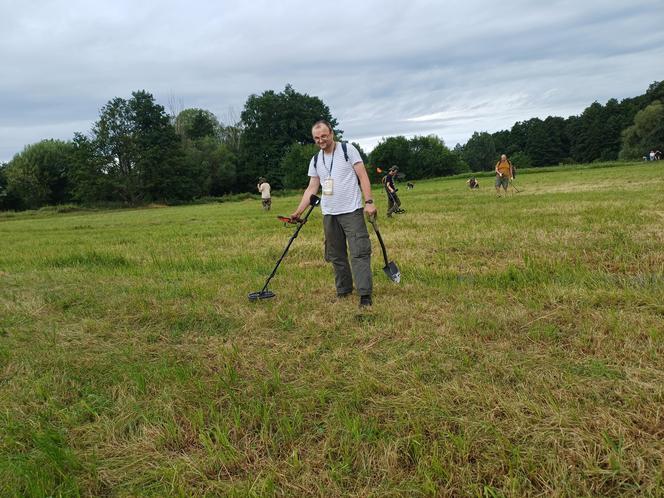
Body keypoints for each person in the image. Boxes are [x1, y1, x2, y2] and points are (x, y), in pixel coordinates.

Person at [290, 120, 377, 308]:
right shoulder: (315, 160)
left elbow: (363, 176)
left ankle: (365, 295)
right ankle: (344, 290)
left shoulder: (348, 150)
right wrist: (298, 211)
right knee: (336, 255)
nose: (321, 140)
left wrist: (369, 202)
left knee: (359, 252)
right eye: (316, 138)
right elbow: (312, 188)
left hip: (351, 210)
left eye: (324, 136)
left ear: (331, 133)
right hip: (329, 213)